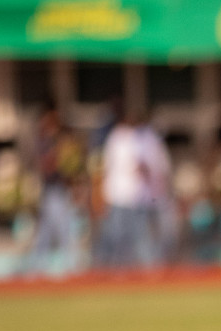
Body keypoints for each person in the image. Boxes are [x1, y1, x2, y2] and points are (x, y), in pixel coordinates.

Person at [97, 109, 170, 270]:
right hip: (120, 195)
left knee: (136, 236)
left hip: (135, 196)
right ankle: (116, 269)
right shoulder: (121, 138)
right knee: (119, 236)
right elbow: (109, 168)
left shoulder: (137, 138)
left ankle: (139, 270)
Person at [21, 104, 87, 277]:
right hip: (51, 190)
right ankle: (39, 268)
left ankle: (62, 266)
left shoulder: (61, 140)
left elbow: (72, 167)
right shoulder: (45, 141)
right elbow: (45, 167)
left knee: (58, 230)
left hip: (60, 190)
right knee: (51, 231)